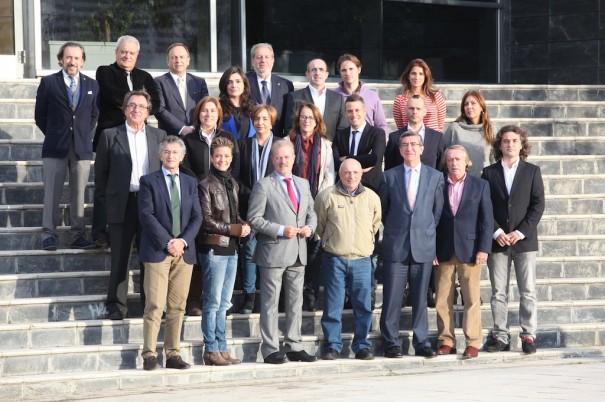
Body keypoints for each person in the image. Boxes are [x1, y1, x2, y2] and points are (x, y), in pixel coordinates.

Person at [95, 90, 167, 320]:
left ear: (148, 111)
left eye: (142, 107)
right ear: (125, 109)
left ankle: (152, 306)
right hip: (122, 204)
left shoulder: (159, 136)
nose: (137, 110)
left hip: (150, 206)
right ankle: (116, 306)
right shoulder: (109, 135)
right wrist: (102, 217)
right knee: (120, 257)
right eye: (132, 106)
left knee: (152, 258)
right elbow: (101, 180)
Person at [247, 140, 318, 364]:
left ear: (293, 159)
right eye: (278, 157)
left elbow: (311, 212)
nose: (282, 161)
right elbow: (254, 218)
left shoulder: (303, 183)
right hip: (273, 252)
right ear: (272, 159)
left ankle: (294, 345)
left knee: (296, 301)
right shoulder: (263, 185)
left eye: (286, 157)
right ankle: (269, 349)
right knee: (270, 303)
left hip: (299, 251)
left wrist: (310, 227)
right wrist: (279, 230)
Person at [138, 136, 202, 371]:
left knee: (177, 305)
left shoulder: (189, 182)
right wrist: (168, 242)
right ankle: (149, 354)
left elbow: (197, 217)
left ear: (182, 156)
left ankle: (173, 353)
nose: (171, 155)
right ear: (160, 155)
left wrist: (182, 242)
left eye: (175, 152)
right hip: (158, 251)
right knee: (155, 305)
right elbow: (146, 215)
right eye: (166, 151)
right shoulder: (148, 181)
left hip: (184, 253)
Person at [379, 131, 444, 359]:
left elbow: (437, 213)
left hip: (423, 246)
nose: (409, 148)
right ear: (399, 150)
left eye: (414, 144)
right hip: (396, 245)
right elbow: (384, 212)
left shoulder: (435, 177)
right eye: (404, 144)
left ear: (422, 148)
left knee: (419, 298)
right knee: (392, 298)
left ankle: (422, 341)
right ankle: (390, 342)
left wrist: (424, 234)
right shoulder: (389, 177)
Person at [481, 125, 545, 354]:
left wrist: (520, 232)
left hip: (524, 242)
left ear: (521, 144)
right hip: (498, 242)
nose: (510, 144)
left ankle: (528, 335)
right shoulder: (489, 173)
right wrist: (497, 232)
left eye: (514, 141)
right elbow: (484, 206)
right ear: (499, 145)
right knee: (499, 291)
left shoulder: (532, 171)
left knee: (527, 290)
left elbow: (538, 206)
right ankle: (500, 335)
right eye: (505, 141)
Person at [93, 35, 160, 248]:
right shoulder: (105, 71)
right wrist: (139, 102)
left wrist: (138, 107)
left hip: (139, 136)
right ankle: (100, 232)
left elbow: (155, 104)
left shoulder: (145, 76)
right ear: (116, 53)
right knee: (105, 186)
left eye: (131, 53)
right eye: (123, 51)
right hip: (111, 137)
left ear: (137, 56)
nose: (127, 55)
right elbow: (111, 95)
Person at [35, 41, 99, 251]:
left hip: (81, 148)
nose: (72, 61)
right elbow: (40, 115)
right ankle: (48, 235)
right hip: (55, 146)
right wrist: (56, 134)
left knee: (79, 193)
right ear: (61, 59)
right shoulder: (48, 82)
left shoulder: (92, 85)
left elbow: (93, 116)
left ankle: (77, 234)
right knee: (51, 192)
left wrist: (80, 135)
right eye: (68, 57)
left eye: (76, 58)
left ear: (82, 61)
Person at [315, 158, 381, 361]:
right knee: (333, 305)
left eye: (355, 172)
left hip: (362, 260)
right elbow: (320, 224)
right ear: (339, 174)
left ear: (361, 174)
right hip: (335, 259)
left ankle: (361, 345)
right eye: (346, 172)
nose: (351, 176)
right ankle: (333, 345)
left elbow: (375, 225)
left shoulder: (371, 197)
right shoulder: (327, 196)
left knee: (363, 306)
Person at [179, 96, 240, 316]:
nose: (208, 115)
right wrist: (203, 186)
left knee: (224, 250)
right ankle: (194, 299)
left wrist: (221, 186)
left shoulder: (227, 137)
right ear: (198, 114)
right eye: (204, 111)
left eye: (212, 111)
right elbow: (183, 167)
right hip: (196, 197)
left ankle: (224, 301)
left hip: (223, 199)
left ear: (219, 114)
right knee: (197, 249)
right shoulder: (189, 139)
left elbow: (235, 167)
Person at [434, 145, 493, 359]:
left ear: (467, 162)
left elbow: (487, 221)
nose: (454, 163)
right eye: (450, 160)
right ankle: (446, 341)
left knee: (471, 299)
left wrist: (484, 249)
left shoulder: (480, 185)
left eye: (458, 159)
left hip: (470, 251)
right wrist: (431, 249)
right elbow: (433, 219)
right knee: (442, 300)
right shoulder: (437, 184)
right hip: (443, 250)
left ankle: (472, 342)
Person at [198, 137, 251, 366]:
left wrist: (243, 224)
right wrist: (234, 229)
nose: (223, 160)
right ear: (211, 157)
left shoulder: (233, 183)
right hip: (214, 249)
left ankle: (221, 347)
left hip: (231, 249)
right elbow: (206, 220)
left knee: (224, 303)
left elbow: (232, 214)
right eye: (218, 156)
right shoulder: (205, 184)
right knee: (212, 302)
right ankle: (210, 349)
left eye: (227, 156)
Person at [288, 102, 335, 311]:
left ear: (317, 122)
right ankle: (291, 295)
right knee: (292, 251)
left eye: (310, 118)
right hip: (291, 204)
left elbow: (329, 175)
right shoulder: (287, 142)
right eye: (303, 117)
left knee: (314, 252)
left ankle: (310, 294)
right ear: (298, 120)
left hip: (315, 203)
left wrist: (316, 201)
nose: (306, 121)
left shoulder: (325, 145)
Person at [238, 105, 278, 314]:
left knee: (272, 252)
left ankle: (271, 297)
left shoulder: (280, 146)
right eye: (257, 119)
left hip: (274, 207)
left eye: (264, 118)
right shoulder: (244, 145)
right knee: (249, 252)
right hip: (249, 206)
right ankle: (249, 295)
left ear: (271, 121)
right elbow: (238, 177)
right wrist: (253, 196)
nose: (260, 122)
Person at [332, 94, 386, 193]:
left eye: (357, 110)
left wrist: (347, 158)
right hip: (343, 189)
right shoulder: (340, 135)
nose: (353, 114)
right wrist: (364, 159)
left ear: (364, 111)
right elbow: (335, 164)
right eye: (350, 111)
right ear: (345, 113)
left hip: (369, 188)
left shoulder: (377, 134)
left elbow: (374, 160)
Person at [284, 58, 347, 139]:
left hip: (330, 149)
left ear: (326, 74)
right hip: (302, 148)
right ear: (307, 74)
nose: (317, 73)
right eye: (314, 70)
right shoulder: (295, 97)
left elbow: (342, 129)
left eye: (321, 70)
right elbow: (290, 128)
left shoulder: (338, 99)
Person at [154, 43, 209, 137]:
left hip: (196, 134)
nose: (178, 60)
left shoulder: (199, 82)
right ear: (168, 61)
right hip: (170, 136)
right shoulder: (159, 82)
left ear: (188, 60)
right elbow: (159, 109)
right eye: (174, 57)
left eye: (181, 57)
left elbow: (205, 107)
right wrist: (181, 128)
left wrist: (194, 127)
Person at [385, 95, 445, 171]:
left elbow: (442, 170)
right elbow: (389, 170)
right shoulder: (394, 138)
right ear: (405, 110)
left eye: (418, 109)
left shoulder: (437, 138)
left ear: (425, 111)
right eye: (411, 108)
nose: (415, 112)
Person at [246, 43, 294, 137]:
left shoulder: (286, 85)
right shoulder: (243, 82)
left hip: (277, 139)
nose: (263, 60)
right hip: (250, 140)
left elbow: (289, 118)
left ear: (273, 60)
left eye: (267, 57)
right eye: (259, 57)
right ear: (252, 61)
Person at [444, 90, 494, 177]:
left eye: (473, 103)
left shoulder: (490, 130)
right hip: (459, 181)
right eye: (466, 104)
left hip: (484, 182)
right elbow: (443, 156)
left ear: (482, 107)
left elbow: (494, 159)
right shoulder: (454, 128)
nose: (469, 107)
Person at [334, 53, 387, 133]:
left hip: (369, 143)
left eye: (351, 69)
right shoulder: (333, 96)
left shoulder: (372, 96)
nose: (347, 73)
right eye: (344, 70)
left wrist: (381, 143)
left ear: (359, 69)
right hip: (342, 143)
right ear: (340, 72)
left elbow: (381, 125)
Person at [392, 59, 446, 132]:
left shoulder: (436, 97)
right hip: (411, 141)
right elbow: (401, 129)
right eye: (413, 73)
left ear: (425, 76)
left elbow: (440, 126)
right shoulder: (400, 100)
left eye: (421, 74)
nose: (417, 77)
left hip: (432, 141)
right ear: (408, 76)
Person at [218, 66, 257, 140]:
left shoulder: (254, 107)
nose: (234, 86)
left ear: (244, 85)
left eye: (238, 81)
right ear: (224, 85)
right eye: (229, 82)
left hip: (251, 150)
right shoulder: (218, 107)